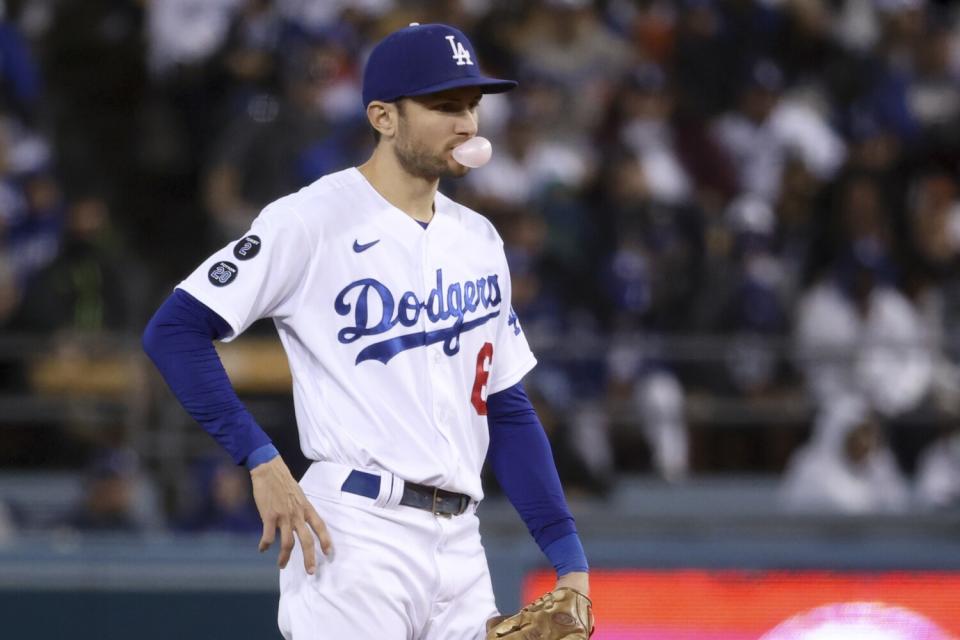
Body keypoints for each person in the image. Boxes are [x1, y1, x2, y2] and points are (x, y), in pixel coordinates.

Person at [142, 23, 590, 639]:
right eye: (443, 105)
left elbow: (506, 407)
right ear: (383, 116)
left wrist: (570, 563)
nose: (466, 123)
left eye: (471, 105)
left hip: (462, 543)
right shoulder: (310, 220)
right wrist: (260, 458)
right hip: (354, 532)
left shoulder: (480, 240)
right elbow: (175, 331)